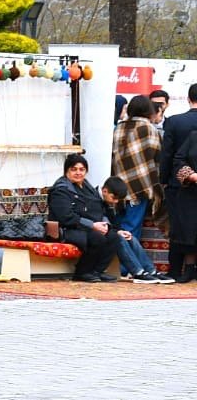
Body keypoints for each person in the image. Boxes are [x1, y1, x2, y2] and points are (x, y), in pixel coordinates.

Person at [48, 153, 117, 282]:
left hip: (85, 227)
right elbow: (65, 217)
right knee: (97, 238)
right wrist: (92, 225)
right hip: (65, 229)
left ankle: (97, 272)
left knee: (113, 236)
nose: (78, 173)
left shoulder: (87, 187)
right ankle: (82, 272)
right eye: (74, 169)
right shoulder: (61, 190)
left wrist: (104, 224)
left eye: (82, 169)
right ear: (67, 171)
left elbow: (100, 208)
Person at [110, 94, 162, 253]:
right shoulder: (149, 128)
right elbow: (157, 157)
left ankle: (117, 263)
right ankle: (128, 264)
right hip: (140, 184)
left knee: (118, 226)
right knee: (131, 229)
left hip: (118, 184)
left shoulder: (119, 127)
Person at [158, 85, 197, 281]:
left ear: (189, 98)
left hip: (177, 184)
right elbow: (176, 157)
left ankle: (175, 270)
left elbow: (167, 154)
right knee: (184, 228)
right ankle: (187, 269)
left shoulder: (175, 121)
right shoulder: (190, 134)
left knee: (179, 228)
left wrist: (164, 179)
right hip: (186, 183)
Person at [101, 175, 173, 282]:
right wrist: (116, 232)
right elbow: (98, 221)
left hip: (106, 230)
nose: (115, 202)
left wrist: (120, 231)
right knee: (119, 238)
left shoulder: (107, 201)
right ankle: (138, 272)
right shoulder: (95, 199)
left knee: (130, 237)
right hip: (95, 231)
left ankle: (150, 270)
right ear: (105, 191)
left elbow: (111, 223)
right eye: (114, 198)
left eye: (117, 199)